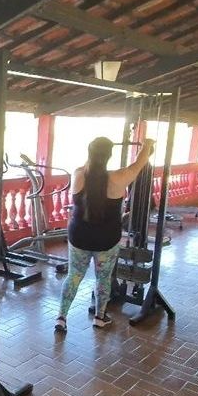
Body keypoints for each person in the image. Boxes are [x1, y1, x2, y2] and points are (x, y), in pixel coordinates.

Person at [55, 136, 156, 332]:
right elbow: (139, 164)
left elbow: (91, 169)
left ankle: (61, 318)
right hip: (106, 240)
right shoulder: (119, 177)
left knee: (74, 276)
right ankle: (100, 318)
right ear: (110, 155)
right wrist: (147, 145)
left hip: (79, 237)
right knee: (103, 278)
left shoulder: (78, 174)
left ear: (89, 153)